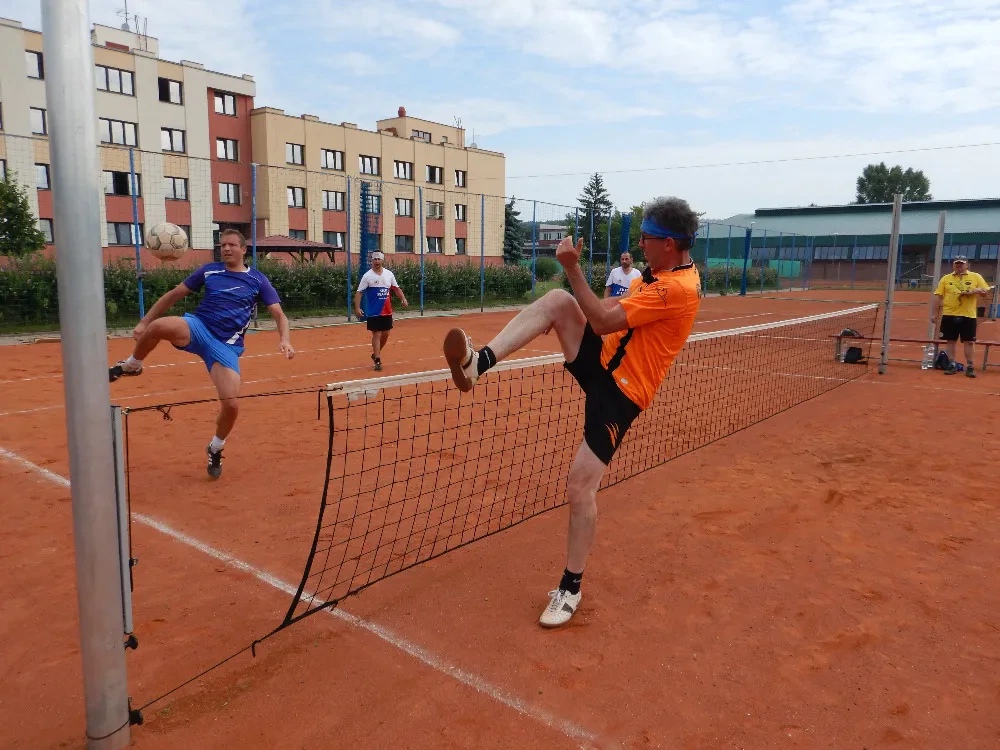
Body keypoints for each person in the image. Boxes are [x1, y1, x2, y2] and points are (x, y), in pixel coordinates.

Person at [443, 197, 702, 628]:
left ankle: (570, 588)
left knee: (580, 488)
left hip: (621, 395)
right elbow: (605, 316)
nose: (640, 244)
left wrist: (572, 267)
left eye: (647, 237)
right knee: (560, 302)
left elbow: (602, 321)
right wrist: (573, 297)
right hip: (601, 361)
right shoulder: (658, 273)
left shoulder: (677, 288)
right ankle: (477, 364)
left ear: (670, 244)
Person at [108, 229, 295, 477]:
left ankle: (215, 447)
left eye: (231, 245)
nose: (225, 248)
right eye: (222, 245)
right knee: (158, 327)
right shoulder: (209, 271)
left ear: (243, 250)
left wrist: (285, 339)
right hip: (198, 327)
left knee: (231, 405)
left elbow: (279, 314)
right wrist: (144, 322)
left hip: (225, 346)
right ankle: (132, 365)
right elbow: (174, 295)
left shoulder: (258, 279)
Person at [932, 255, 993, 378]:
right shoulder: (946, 278)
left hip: (968, 315)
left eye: (961, 263)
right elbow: (938, 296)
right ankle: (951, 364)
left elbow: (985, 292)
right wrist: (934, 314)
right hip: (949, 314)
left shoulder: (976, 276)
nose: (959, 265)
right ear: (953, 265)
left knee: (969, 342)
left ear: (967, 265)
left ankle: (970, 366)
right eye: (957, 263)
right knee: (950, 341)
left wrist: (976, 291)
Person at [354, 251, 408, 371]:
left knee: (386, 334)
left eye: (379, 259)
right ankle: (377, 359)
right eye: (375, 259)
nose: (377, 261)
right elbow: (359, 292)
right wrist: (357, 308)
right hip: (374, 311)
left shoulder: (389, 274)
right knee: (376, 333)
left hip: (387, 311)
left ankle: (375, 354)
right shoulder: (367, 276)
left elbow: (396, 289)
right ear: (371, 261)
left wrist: (403, 298)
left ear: (383, 260)